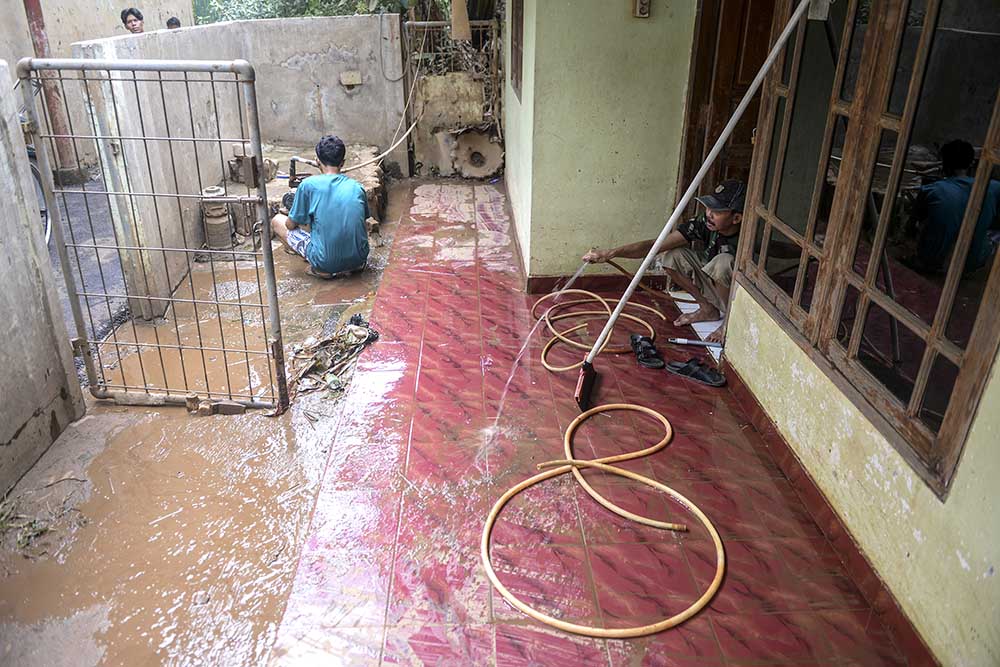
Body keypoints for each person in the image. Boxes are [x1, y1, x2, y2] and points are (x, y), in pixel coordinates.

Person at [583, 179, 746, 344]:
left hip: (737, 299)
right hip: (715, 285)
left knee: (723, 262)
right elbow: (655, 246)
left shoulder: (748, 239)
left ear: (736, 218)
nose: (709, 214)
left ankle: (729, 323)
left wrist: (729, 323)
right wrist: (611, 253)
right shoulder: (705, 222)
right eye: (709, 207)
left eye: (717, 211)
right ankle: (707, 309)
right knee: (671, 256)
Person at [270, 135, 370, 279]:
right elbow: (362, 222)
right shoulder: (357, 187)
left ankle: (320, 268)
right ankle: (347, 267)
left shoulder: (308, 185)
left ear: (317, 161)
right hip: (359, 260)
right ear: (342, 163)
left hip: (326, 263)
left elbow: (290, 225)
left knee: (277, 221)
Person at [910, 139, 1000, 274]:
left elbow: (912, 225)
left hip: (932, 262)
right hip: (972, 263)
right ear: (971, 163)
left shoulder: (931, 190)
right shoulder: (991, 187)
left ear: (943, 163)